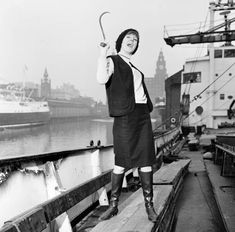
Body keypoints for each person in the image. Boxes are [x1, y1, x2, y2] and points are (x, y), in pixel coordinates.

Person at [96, 28, 158, 222]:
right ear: (121, 41)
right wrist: (103, 54)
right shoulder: (113, 60)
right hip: (125, 115)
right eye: (129, 38)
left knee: (146, 159)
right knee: (121, 160)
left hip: (142, 115)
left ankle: (149, 205)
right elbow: (101, 79)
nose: (132, 40)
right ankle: (114, 205)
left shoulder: (134, 66)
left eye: (136, 39)